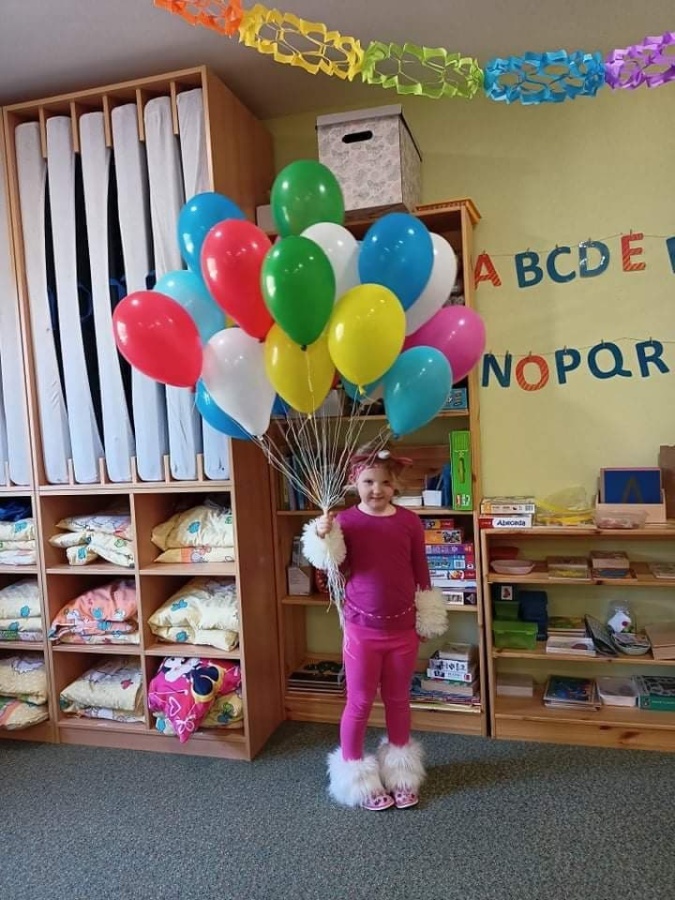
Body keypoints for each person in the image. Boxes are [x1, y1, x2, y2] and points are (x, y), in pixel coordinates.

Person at [302, 445, 448, 810]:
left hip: (402, 630)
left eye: (384, 482)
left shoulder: (409, 522)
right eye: (368, 482)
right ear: (355, 482)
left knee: (398, 699)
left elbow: (421, 571)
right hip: (361, 631)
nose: (377, 489)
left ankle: (401, 774)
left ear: (395, 484)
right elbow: (333, 565)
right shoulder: (346, 522)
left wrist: (426, 615)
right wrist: (323, 536)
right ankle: (356, 776)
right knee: (360, 701)